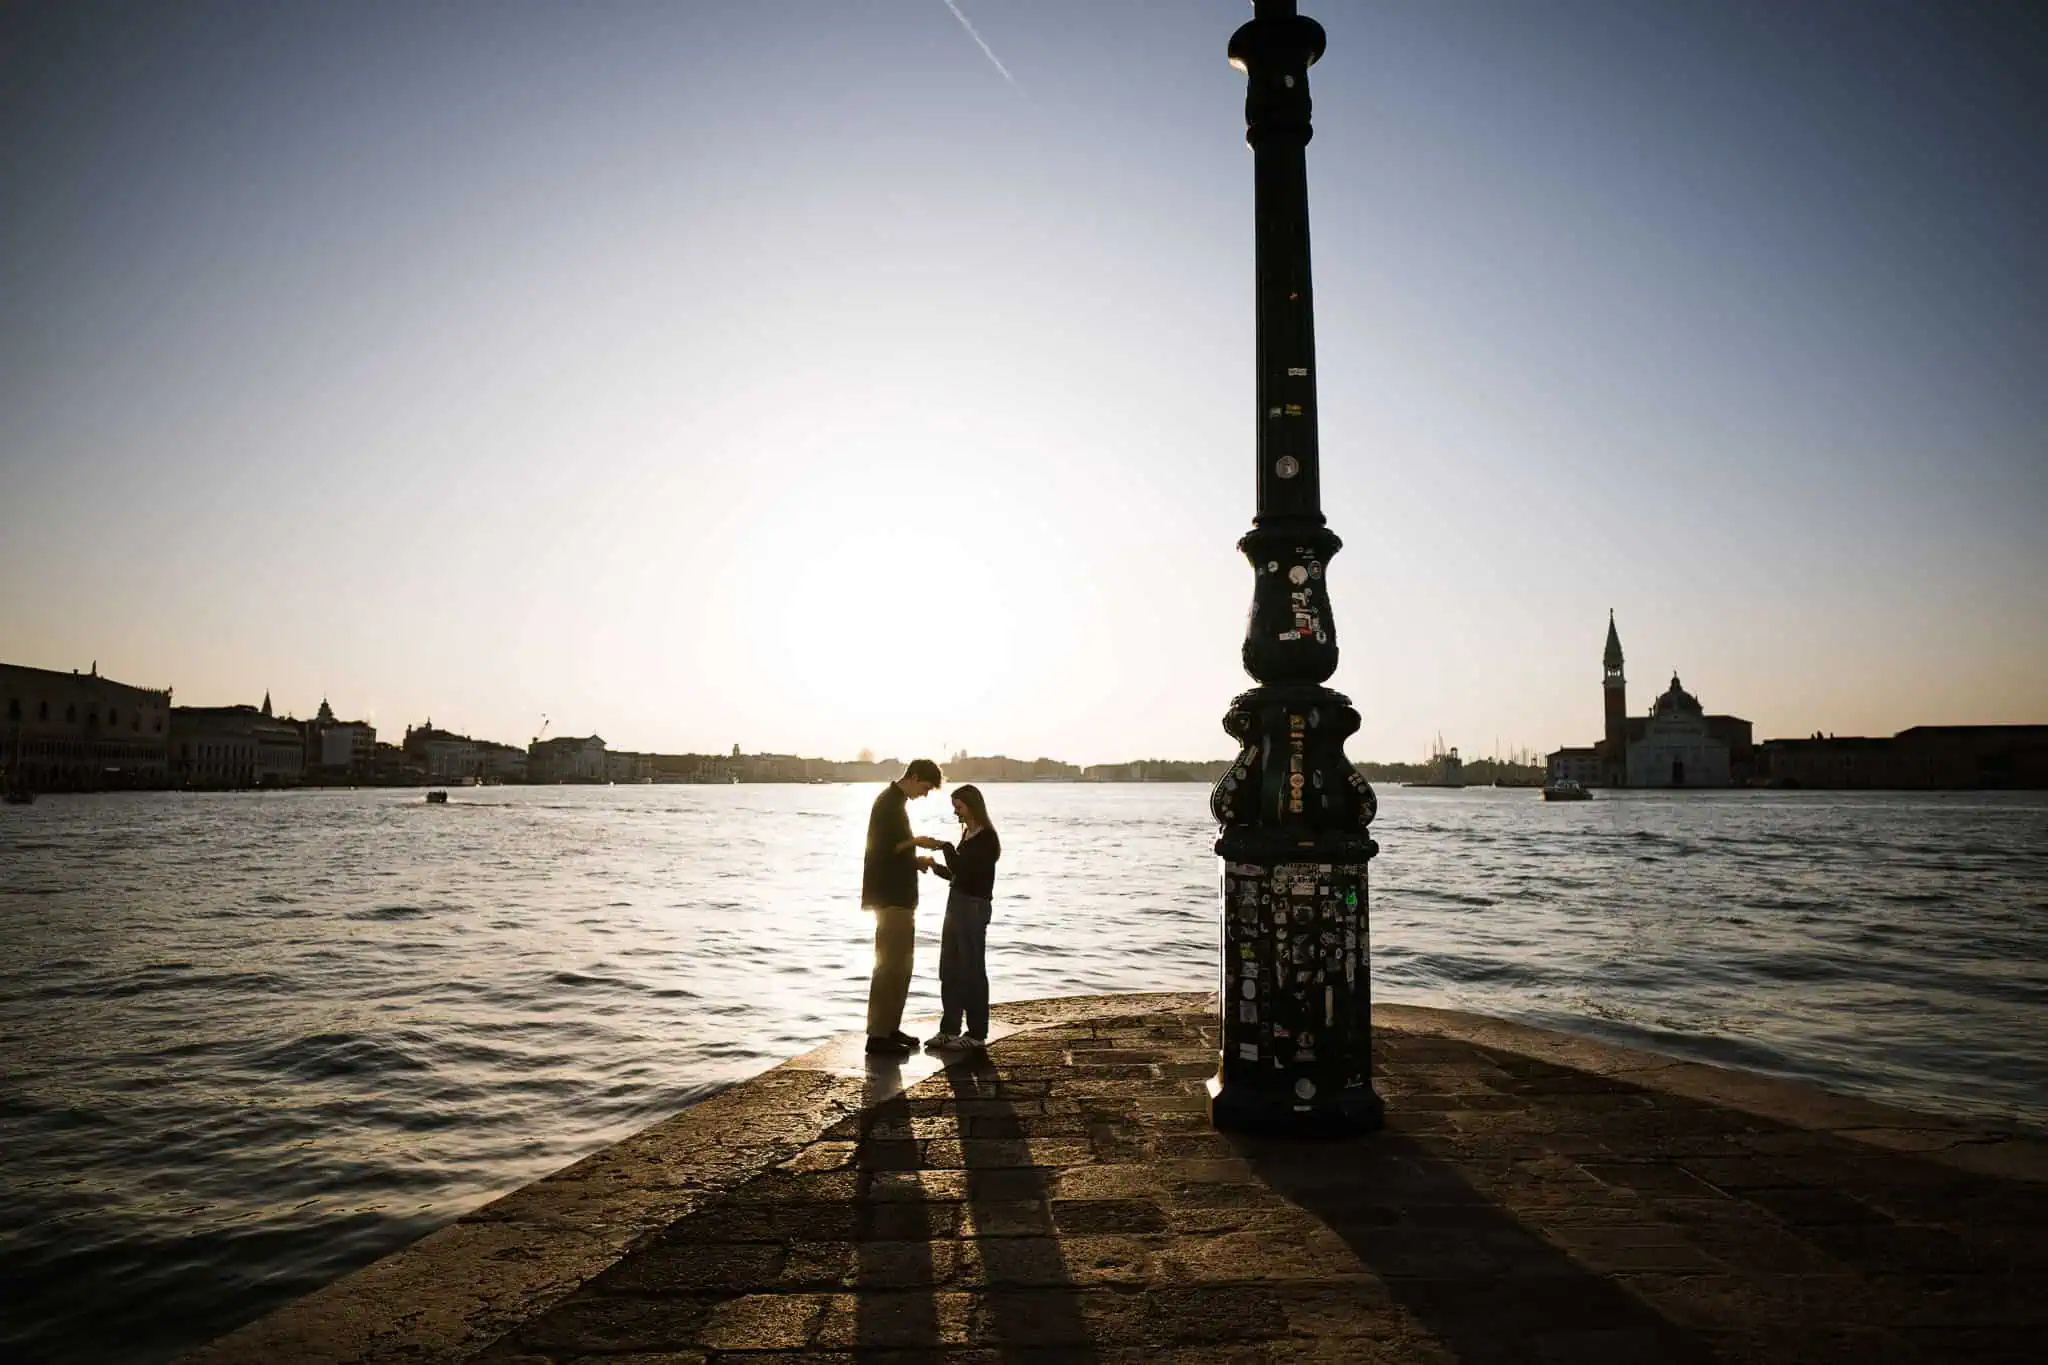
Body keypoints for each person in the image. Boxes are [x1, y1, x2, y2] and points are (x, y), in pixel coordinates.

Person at [862, 758, 943, 1055]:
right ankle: (878, 1036)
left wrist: (916, 860)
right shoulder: (888, 804)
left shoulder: (896, 804)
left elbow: (894, 852)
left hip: (899, 896)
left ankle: (890, 1028)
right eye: (925, 787)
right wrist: (919, 842)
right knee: (889, 967)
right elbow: (888, 849)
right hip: (890, 897)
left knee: (901, 967)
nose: (925, 794)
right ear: (914, 776)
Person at [916, 784, 1001, 1052]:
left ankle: (976, 1032)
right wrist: (935, 866)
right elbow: (958, 875)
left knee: (972, 970)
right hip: (956, 904)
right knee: (949, 968)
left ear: (972, 806)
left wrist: (943, 845)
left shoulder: (987, 838)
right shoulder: (967, 834)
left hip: (974, 908)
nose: (956, 814)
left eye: (959, 808)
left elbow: (963, 867)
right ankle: (949, 1029)